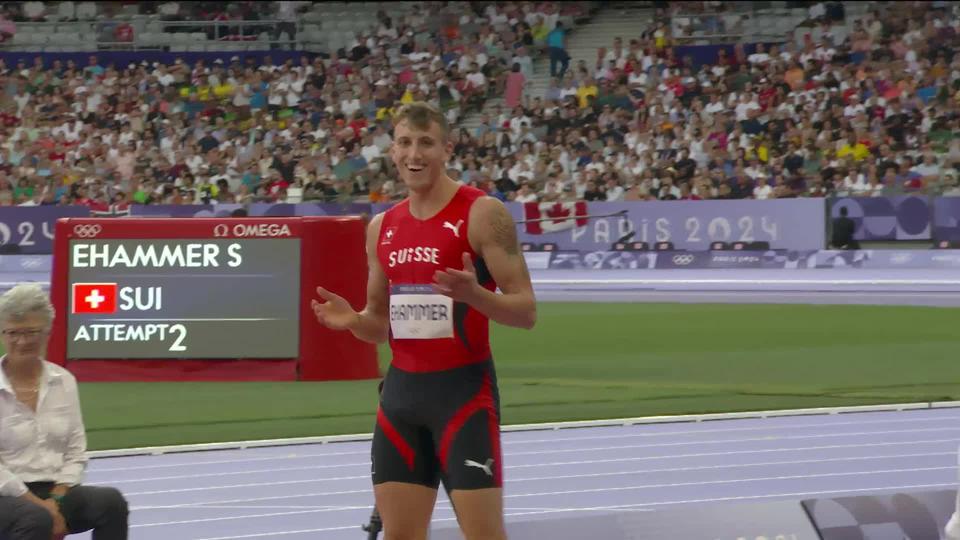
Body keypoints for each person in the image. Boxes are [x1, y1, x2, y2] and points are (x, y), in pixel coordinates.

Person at [312, 101, 537, 540]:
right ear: (392, 151)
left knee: (485, 536)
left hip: (463, 397)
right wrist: (352, 320)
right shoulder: (382, 226)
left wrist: (474, 294)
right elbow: (378, 324)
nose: (414, 155)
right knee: (400, 536)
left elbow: (526, 311)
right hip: (401, 399)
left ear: (447, 148)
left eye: (426, 143)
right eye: (405, 143)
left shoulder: (482, 213)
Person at [0, 284, 129, 540]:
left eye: (31, 332)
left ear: (47, 333)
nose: (22, 341)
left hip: (56, 490)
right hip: (6, 495)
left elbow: (75, 450)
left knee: (111, 502)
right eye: (13, 332)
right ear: (3, 333)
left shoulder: (64, 381)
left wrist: (57, 497)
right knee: (35, 518)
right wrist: (41, 506)